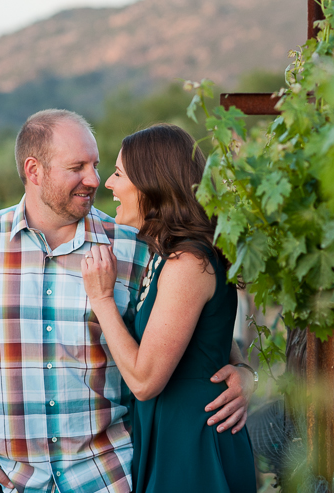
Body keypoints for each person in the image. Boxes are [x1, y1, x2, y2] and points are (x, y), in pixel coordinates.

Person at [0, 110, 254, 493]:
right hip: (11, 480)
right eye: (77, 167)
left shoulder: (136, 246)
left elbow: (188, 330)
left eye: (98, 166)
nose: (94, 180)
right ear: (34, 170)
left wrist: (245, 372)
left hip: (109, 476)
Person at [81, 124, 257, 493]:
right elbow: (212, 342)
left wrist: (102, 300)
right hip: (172, 432)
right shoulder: (170, 256)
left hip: (193, 443)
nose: (108, 184)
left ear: (152, 185)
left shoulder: (187, 264)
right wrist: (241, 369)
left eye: (118, 174)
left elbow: (145, 382)